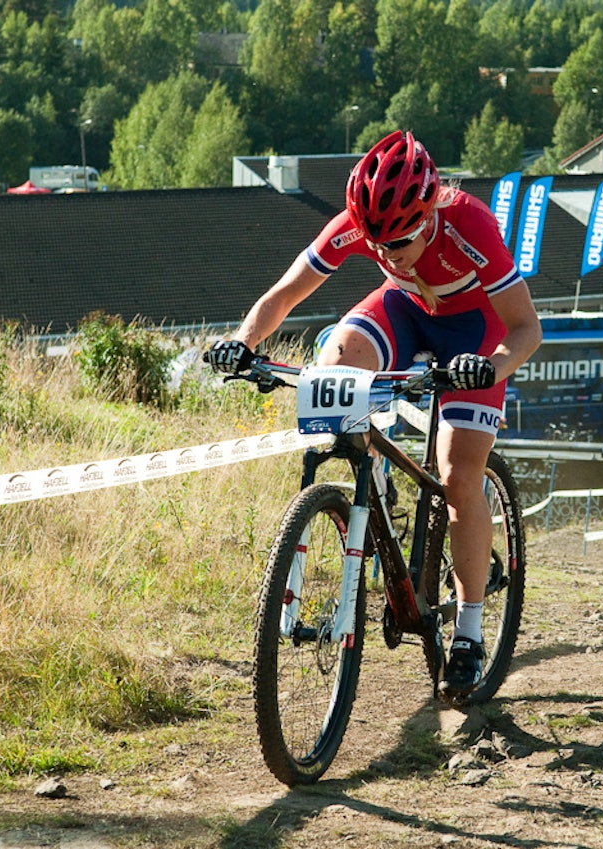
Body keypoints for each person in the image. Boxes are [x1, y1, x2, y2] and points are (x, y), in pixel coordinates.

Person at [206, 130, 542, 698]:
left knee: (458, 475)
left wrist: (491, 368)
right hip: (405, 310)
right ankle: (375, 483)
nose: (388, 254)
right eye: (377, 243)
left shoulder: (470, 224)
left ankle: (468, 631)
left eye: (401, 240)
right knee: (338, 358)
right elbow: (284, 294)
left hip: (475, 330)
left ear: (429, 213)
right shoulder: (359, 226)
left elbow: (527, 328)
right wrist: (243, 342)